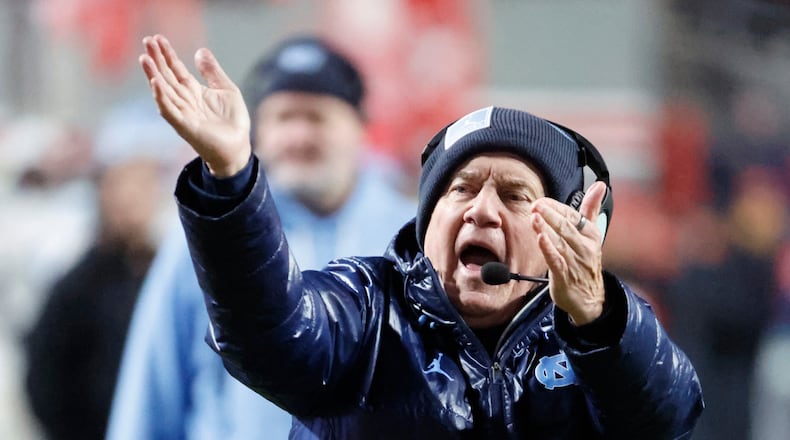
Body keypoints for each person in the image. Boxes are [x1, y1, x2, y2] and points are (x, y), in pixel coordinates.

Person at [139, 34, 704, 438]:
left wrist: (596, 320)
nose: (482, 211)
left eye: (514, 195)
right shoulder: (367, 307)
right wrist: (231, 178)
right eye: (461, 189)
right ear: (427, 220)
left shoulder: (599, 328)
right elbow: (271, 334)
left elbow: (667, 418)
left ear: (567, 227)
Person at [106, 35, 416, 439]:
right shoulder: (211, 232)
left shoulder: (412, 236)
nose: (299, 136)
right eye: (284, 117)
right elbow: (154, 381)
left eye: (317, 117)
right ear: (257, 130)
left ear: (360, 126)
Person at [23, 100, 179, 440]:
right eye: (126, 183)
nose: (136, 197)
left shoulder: (169, 268)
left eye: (146, 182)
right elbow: (45, 379)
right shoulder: (79, 279)